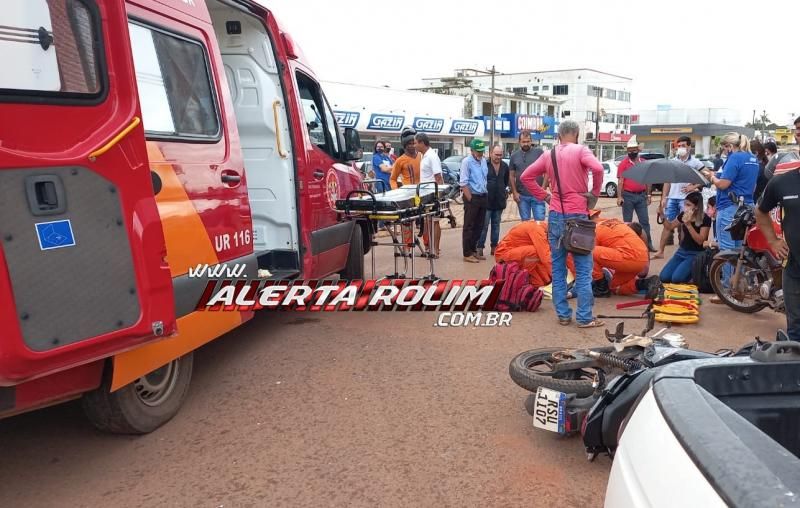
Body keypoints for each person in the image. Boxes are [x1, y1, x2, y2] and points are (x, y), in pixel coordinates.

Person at [520, 120, 605, 328]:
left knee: (558, 268)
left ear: (558, 135)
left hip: (556, 213)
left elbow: (525, 177)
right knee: (583, 269)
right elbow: (598, 168)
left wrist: (545, 196)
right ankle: (584, 317)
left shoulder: (549, 154)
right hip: (578, 215)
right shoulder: (581, 150)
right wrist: (593, 194)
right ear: (576, 134)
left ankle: (563, 315)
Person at [701, 132, 759, 302]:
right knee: (742, 250)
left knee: (727, 250)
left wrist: (712, 177)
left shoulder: (735, 158)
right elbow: (752, 185)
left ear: (730, 146)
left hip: (730, 206)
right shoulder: (752, 159)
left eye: (725, 147)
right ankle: (741, 286)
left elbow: (724, 184)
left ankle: (727, 290)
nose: (724, 150)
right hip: (747, 205)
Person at [755, 157, 800, 340]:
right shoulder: (782, 181)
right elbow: (760, 211)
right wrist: (773, 241)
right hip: (795, 268)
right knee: (795, 328)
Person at [653, 136, 705, 259]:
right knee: (667, 224)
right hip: (672, 198)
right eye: (679, 146)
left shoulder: (695, 162)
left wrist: (693, 186)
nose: (680, 148)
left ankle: (683, 251)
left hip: (686, 199)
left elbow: (707, 176)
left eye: (683, 145)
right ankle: (661, 251)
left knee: (684, 226)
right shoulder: (673, 161)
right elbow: (667, 181)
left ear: (689, 147)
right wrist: (664, 197)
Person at [589, 211, 650, 296]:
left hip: (628, 258)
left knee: (588, 252)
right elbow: (642, 233)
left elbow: (591, 259)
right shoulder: (616, 221)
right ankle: (645, 283)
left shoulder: (594, 230)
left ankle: (601, 288)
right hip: (642, 259)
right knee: (615, 288)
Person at [659, 192, 712, 283]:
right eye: (684, 204)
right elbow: (670, 227)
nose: (685, 207)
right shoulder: (683, 214)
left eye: (688, 205)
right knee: (664, 277)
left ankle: (694, 273)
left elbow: (700, 241)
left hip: (695, 253)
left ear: (696, 207)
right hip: (682, 251)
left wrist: (688, 225)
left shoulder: (705, 218)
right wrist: (661, 215)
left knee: (677, 279)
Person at [616, 135, 655, 251]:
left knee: (645, 221)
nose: (631, 152)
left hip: (641, 195)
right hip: (627, 196)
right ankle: (628, 245)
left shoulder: (644, 163)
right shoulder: (623, 164)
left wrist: (648, 195)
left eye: (633, 150)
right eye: (629, 151)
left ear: (638, 150)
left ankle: (648, 244)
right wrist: (619, 197)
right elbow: (620, 181)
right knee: (627, 223)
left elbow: (648, 180)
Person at [494, 220, 556, 287]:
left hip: (516, 255)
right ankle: (521, 278)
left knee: (540, 283)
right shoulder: (538, 231)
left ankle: (527, 280)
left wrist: (548, 279)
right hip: (503, 256)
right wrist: (558, 277)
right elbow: (546, 257)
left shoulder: (542, 228)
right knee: (535, 252)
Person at [388, 129, 421, 254]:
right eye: (409, 144)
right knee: (407, 222)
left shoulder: (422, 156)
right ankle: (408, 247)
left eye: (414, 143)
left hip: (422, 195)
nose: (412, 146)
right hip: (407, 196)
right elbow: (392, 179)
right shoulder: (400, 160)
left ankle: (429, 247)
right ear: (404, 145)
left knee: (426, 221)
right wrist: (397, 193)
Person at [478, 145, 510, 258]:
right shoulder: (484, 165)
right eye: (496, 154)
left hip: (499, 201)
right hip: (486, 201)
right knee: (484, 226)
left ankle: (494, 248)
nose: (498, 157)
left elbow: (506, 181)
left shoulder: (505, 166)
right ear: (490, 153)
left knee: (496, 225)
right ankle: (479, 248)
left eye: (500, 155)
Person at [415, 132, 444, 257]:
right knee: (428, 222)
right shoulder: (424, 156)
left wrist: (440, 196)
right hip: (424, 195)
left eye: (416, 143)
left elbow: (438, 177)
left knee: (435, 222)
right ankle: (430, 248)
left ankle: (436, 250)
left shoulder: (432, 156)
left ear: (422, 143)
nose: (414, 145)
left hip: (433, 195)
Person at [460, 139, 489, 263]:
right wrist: (470, 200)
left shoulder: (483, 161)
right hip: (472, 196)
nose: (480, 154)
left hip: (483, 196)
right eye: (478, 151)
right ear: (471, 150)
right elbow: (463, 183)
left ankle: (473, 250)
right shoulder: (467, 162)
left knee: (479, 226)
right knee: (469, 226)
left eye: (482, 151)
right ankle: (467, 253)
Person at [509, 131, 546, 221]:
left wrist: (543, 188)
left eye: (528, 141)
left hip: (538, 195)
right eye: (523, 142)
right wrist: (514, 192)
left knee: (540, 223)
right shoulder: (514, 156)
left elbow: (547, 171)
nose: (526, 144)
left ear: (531, 141)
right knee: (525, 224)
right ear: (519, 142)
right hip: (522, 196)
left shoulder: (539, 153)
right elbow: (511, 175)